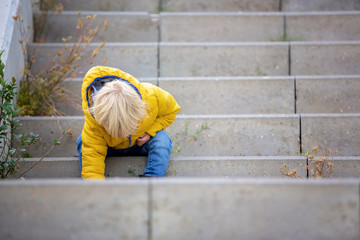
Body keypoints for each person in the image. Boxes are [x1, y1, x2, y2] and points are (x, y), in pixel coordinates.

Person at [76, 66, 181, 179]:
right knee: (84, 141)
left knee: (162, 140)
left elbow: (171, 111)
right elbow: (92, 166)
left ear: (139, 111)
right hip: (110, 147)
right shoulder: (95, 125)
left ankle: (152, 178)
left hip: (140, 143)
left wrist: (150, 132)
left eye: (130, 128)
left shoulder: (152, 96)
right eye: (117, 132)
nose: (125, 135)